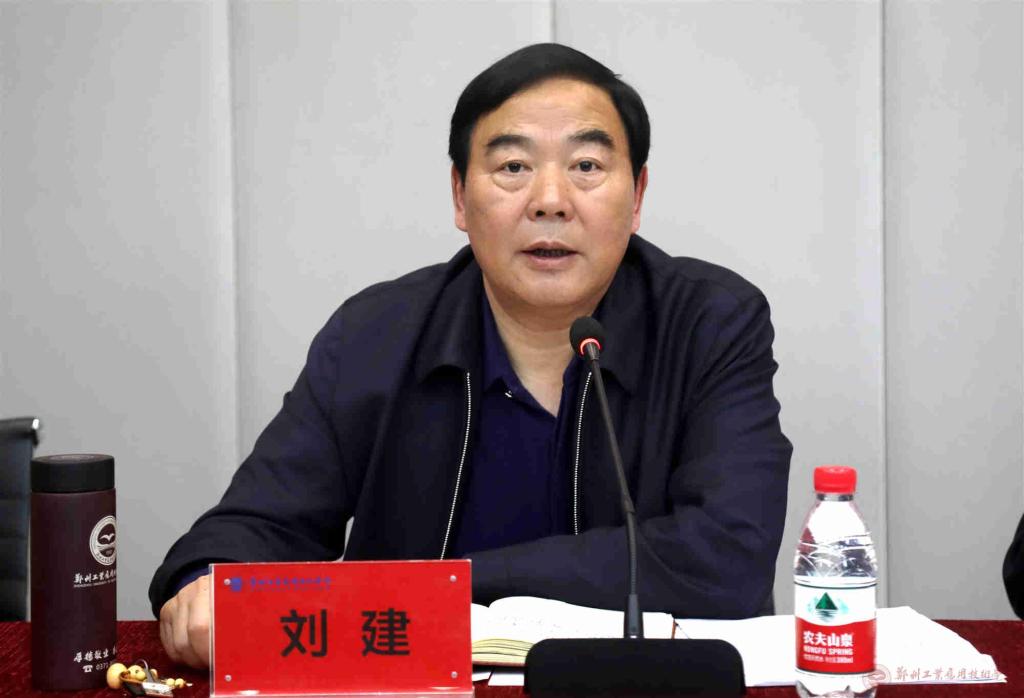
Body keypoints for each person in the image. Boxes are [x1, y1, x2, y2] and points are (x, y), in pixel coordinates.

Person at [150, 43, 792, 668]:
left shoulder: (710, 323)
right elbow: (254, 527)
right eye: (512, 167)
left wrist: (445, 586)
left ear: (638, 195)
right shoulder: (376, 334)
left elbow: (727, 559)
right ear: (460, 196)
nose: (550, 200)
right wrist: (207, 580)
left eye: (587, 166)